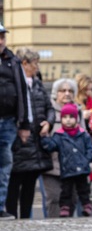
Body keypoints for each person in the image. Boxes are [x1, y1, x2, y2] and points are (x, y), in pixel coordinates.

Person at [7, 48, 54, 218]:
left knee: (29, 183)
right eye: (35, 63)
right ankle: (11, 216)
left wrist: (48, 122)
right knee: (13, 183)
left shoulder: (37, 84)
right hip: (19, 141)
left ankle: (26, 218)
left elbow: (49, 107)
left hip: (36, 143)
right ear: (24, 64)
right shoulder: (14, 82)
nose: (38, 66)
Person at [42, 103, 92, 217]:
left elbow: (90, 147)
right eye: (65, 117)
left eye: (71, 117)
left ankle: (86, 205)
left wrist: (88, 159)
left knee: (83, 189)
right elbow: (52, 146)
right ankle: (64, 207)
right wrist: (45, 139)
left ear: (76, 119)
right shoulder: (59, 135)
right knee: (66, 190)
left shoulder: (83, 134)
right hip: (67, 168)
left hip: (82, 168)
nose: (68, 120)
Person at [0, 22, 30, 220]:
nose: (1, 41)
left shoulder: (13, 61)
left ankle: (0, 207)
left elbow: (22, 92)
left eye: (3, 37)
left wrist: (24, 124)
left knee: (4, 165)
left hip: (9, 122)